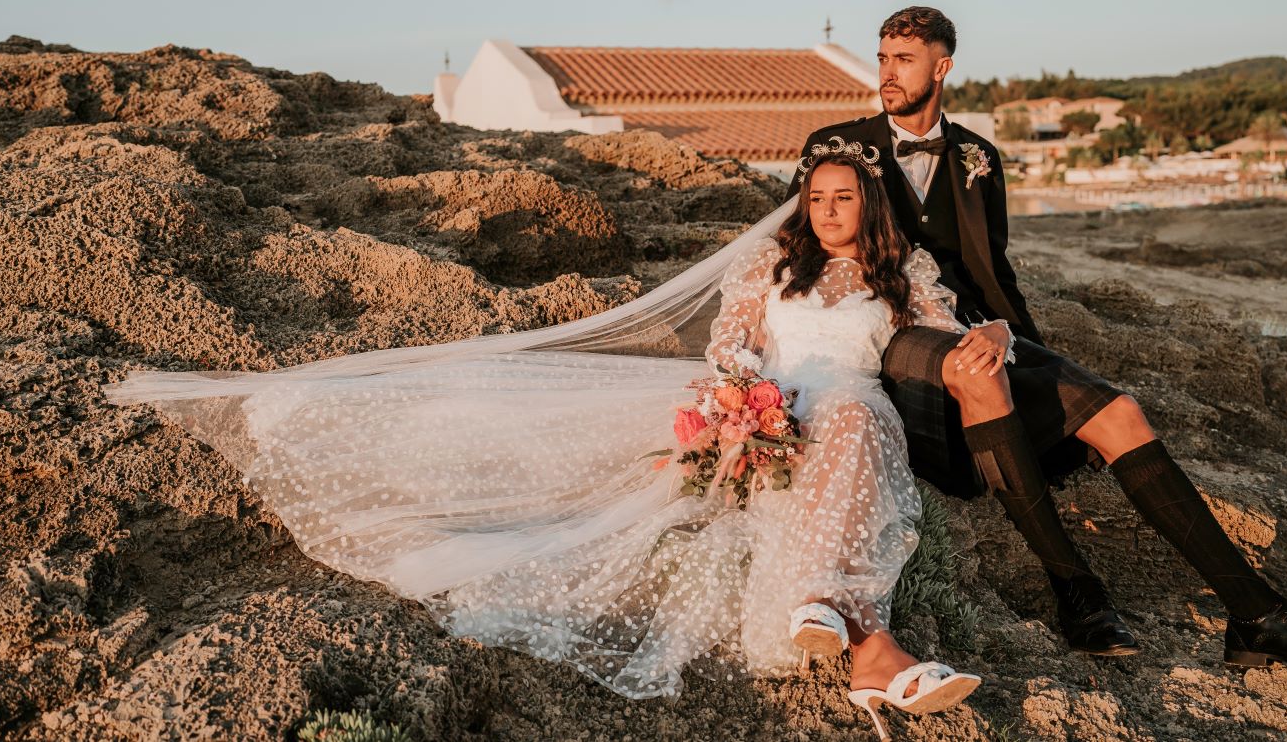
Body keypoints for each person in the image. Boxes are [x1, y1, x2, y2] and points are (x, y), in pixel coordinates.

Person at [106, 149, 985, 736]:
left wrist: (1004, 343)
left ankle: (845, 629)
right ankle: (869, 645)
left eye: (846, 198)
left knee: (863, 416)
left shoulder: (902, 274)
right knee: (502, 421)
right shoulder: (769, 265)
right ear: (805, 202)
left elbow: (960, 337)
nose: (830, 210)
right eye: (818, 197)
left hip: (850, 411)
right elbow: (730, 341)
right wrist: (746, 400)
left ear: (868, 205)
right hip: (771, 407)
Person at [789, 5, 1287, 669]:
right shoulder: (842, 145)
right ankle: (1077, 592)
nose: (888, 72)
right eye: (883, 57)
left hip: (971, 332)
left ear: (941, 67)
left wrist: (1010, 332)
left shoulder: (979, 156)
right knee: (979, 372)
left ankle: (1256, 613)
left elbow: (989, 272)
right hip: (891, 335)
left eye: (905, 59)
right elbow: (806, 245)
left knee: (1119, 411)